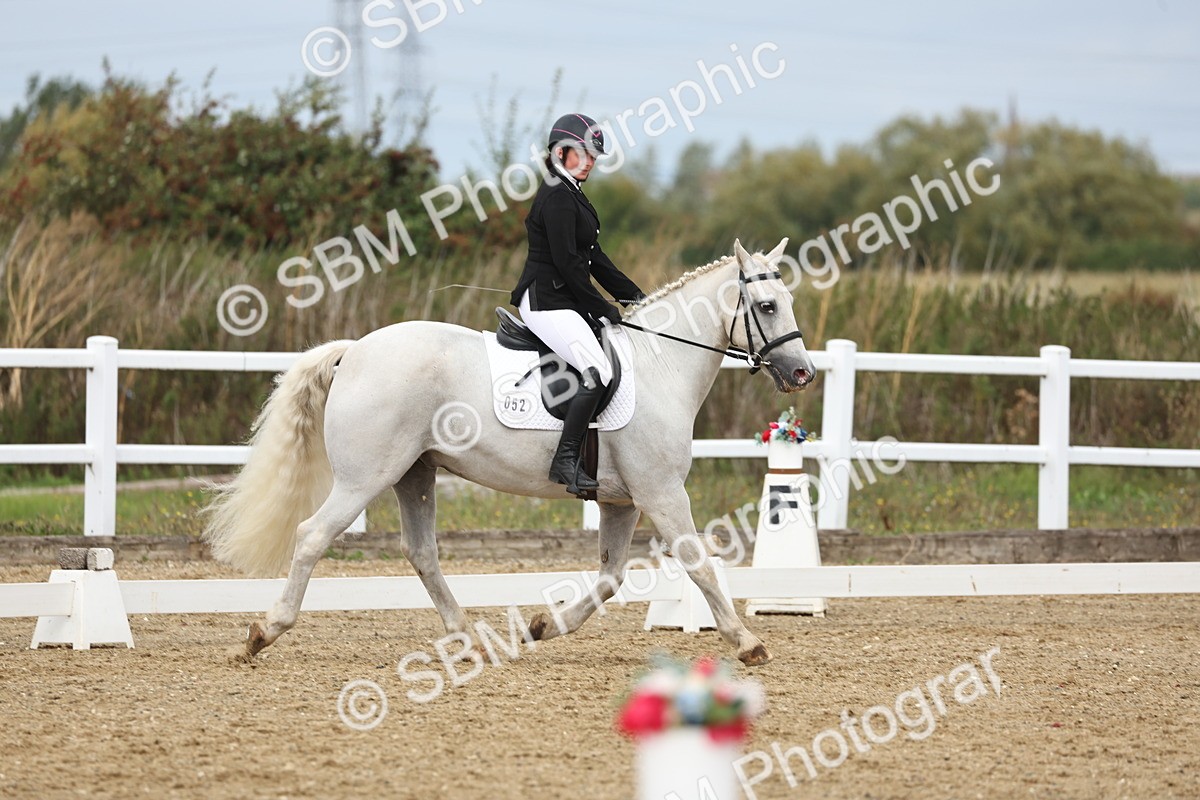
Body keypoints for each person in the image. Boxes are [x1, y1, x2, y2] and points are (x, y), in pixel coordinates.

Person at [510, 113, 647, 497]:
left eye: (593, 157)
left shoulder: (572, 192)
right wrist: (601, 306)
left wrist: (635, 297)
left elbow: (594, 257)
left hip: (563, 300)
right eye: (583, 154)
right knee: (598, 370)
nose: (589, 162)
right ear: (560, 151)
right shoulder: (556, 195)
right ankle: (565, 460)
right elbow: (570, 264)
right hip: (545, 302)